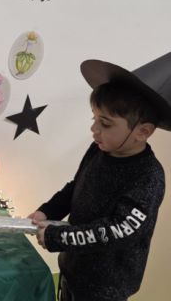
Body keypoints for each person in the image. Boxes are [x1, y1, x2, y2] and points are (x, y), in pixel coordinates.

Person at [28, 54, 171, 301]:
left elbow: (119, 230)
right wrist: (48, 210)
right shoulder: (99, 149)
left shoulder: (149, 177)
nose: (94, 130)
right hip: (73, 270)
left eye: (105, 123)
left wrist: (58, 237)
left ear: (143, 131)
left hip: (105, 289)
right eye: (94, 119)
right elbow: (77, 187)